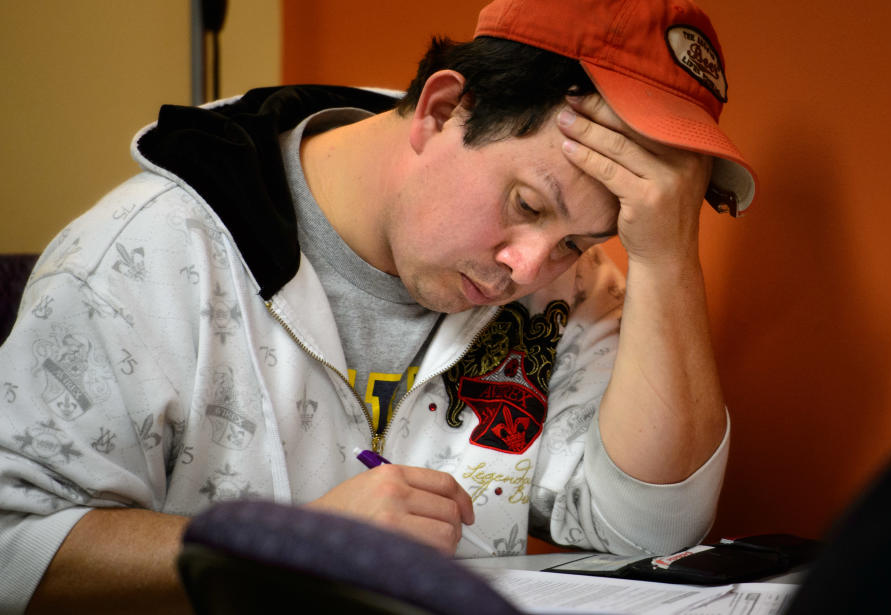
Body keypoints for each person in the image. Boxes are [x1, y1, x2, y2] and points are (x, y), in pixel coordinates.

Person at [0, 0, 756, 612]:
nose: (528, 269)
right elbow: (11, 546)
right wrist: (285, 543)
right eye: (526, 202)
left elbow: (647, 532)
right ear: (441, 108)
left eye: (578, 240)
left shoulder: (573, 287)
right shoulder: (143, 253)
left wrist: (666, 259)